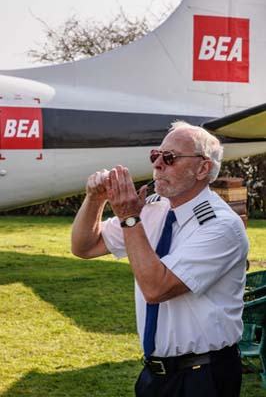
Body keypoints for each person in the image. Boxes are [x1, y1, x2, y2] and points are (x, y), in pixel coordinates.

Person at [71, 120, 249, 397]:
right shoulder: (153, 209)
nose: (157, 165)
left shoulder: (220, 225)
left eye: (170, 158)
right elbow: (84, 247)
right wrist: (95, 199)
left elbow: (156, 288)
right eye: (156, 155)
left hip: (203, 377)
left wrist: (130, 218)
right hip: (154, 375)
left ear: (202, 168)